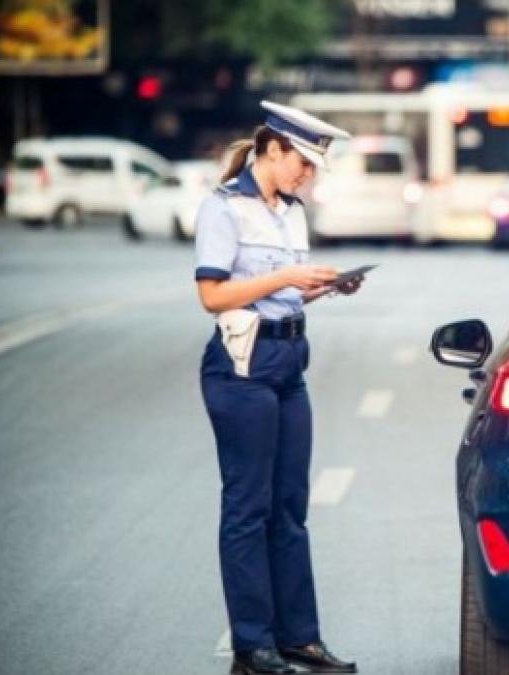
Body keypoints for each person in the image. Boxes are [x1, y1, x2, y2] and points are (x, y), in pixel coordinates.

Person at [194, 100, 360, 674]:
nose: (307, 176)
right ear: (271, 149)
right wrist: (288, 276)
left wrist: (323, 287)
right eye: (303, 163)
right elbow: (213, 296)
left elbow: (280, 293)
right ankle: (252, 646)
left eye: (314, 169)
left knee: (290, 507)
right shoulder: (224, 209)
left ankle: (299, 639)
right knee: (248, 506)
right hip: (243, 365)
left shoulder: (290, 212)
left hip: (290, 358)